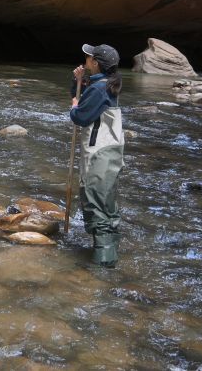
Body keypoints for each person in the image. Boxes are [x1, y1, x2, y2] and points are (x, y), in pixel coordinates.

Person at [69, 43, 124, 267]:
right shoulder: (107, 84)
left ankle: (103, 266)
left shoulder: (99, 88)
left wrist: (74, 106)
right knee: (106, 204)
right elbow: (89, 100)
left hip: (99, 153)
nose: (86, 60)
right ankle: (109, 255)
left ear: (96, 62)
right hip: (111, 152)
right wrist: (79, 81)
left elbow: (81, 116)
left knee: (95, 204)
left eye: (89, 57)